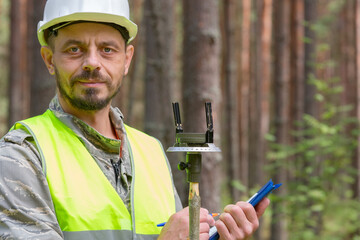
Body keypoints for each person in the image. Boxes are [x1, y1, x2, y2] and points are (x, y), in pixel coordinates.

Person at [0, 0, 270, 239]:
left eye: (107, 49)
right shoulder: (21, 155)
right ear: (49, 60)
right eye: (74, 49)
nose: (92, 62)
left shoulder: (150, 151)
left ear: (127, 60)